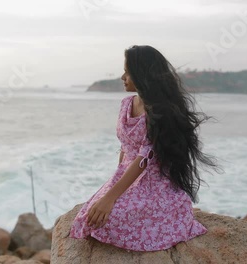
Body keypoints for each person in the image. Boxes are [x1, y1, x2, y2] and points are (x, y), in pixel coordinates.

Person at [69, 45, 219, 251]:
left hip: (154, 184)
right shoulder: (126, 104)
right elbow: (125, 146)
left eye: (127, 72)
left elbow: (144, 158)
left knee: (110, 218)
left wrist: (111, 197)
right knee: (89, 218)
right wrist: (113, 182)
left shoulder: (159, 110)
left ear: (143, 74)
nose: (122, 77)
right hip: (127, 176)